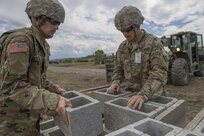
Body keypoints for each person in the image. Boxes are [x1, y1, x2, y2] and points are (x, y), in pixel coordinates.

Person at [0, 0, 72, 135]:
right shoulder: (21, 41)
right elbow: (12, 87)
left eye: (59, 23)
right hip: (12, 122)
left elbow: (36, 79)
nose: (57, 27)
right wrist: (53, 101)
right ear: (36, 18)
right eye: (54, 21)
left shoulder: (43, 45)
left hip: (30, 117)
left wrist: (54, 89)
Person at [107, 5, 169, 110]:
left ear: (137, 26)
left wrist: (143, 94)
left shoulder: (153, 43)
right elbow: (118, 69)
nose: (125, 34)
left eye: (127, 30)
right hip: (131, 97)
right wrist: (115, 82)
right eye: (122, 31)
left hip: (153, 97)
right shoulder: (123, 47)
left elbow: (159, 72)